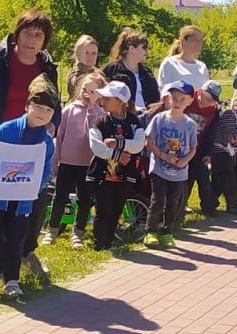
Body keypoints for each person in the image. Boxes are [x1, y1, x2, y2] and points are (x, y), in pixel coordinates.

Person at [0, 77, 59, 301]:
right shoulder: (5, 131)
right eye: (37, 107)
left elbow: (45, 169)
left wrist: (37, 187)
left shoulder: (46, 141)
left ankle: (12, 280)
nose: (41, 113)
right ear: (26, 106)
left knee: (16, 239)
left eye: (47, 110)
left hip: (23, 200)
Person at [0, 10, 58, 134]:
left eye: (38, 35)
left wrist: (52, 123)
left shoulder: (48, 68)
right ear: (17, 34)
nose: (31, 39)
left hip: (31, 140)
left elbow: (55, 105)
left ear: (44, 41)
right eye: (27, 33)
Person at [44, 71, 104, 247]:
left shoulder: (100, 114)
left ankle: (78, 232)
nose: (87, 94)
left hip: (88, 165)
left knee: (84, 199)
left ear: (100, 94)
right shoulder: (70, 110)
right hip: (67, 163)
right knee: (60, 197)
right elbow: (59, 137)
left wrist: (92, 109)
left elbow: (94, 133)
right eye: (85, 89)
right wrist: (55, 161)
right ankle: (52, 230)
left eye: (92, 92)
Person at [87, 82, 147, 250]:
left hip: (125, 175)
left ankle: (109, 241)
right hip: (103, 175)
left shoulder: (134, 122)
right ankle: (100, 244)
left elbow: (138, 145)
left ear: (121, 102)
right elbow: (97, 147)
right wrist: (117, 155)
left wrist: (117, 143)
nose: (102, 101)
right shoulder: (100, 121)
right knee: (103, 210)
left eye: (107, 98)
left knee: (116, 210)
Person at [144, 81, 198, 248]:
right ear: (168, 98)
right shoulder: (159, 119)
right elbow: (149, 141)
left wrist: (184, 160)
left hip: (179, 171)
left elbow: (193, 148)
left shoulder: (190, 124)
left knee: (173, 201)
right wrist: (162, 155)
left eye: (182, 99)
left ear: (189, 101)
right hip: (160, 168)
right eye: (174, 98)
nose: (177, 102)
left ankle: (168, 231)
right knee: (158, 199)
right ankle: (151, 231)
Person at [204, 83, 237, 214]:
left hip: (228, 152)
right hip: (219, 151)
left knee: (219, 180)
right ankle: (232, 205)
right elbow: (232, 134)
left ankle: (210, 204)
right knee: (227, 177)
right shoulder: (230, 114)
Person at [184, 80, 222, 215]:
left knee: (203, 177)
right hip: (180, 147)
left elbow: (211, 133)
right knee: (186, 179)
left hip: (199, 148)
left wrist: (208, 153)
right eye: (207, 98)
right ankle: (180, 206)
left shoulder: (214, 110)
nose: (208, 102)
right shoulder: (187, 99)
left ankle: (209, 207)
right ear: (200, 92)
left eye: (212, 100)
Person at [102, 28, 160, 111]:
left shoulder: (147, 72)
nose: (146, 52)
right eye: (144, 48)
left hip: (147, 118)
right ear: (132, 48)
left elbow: (155, 98)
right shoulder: (111, 70)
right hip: (122, 118)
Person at [158, 25, 210, 91]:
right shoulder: (169, 63)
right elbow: (163, 91)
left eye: (200, 40)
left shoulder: (202, 66)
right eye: (194, 40)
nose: (198, 44)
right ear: (183, 41)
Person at [66, 34, 100, 100]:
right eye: (86, 53)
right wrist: (81, 63)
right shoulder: (74, 75)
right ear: (79, 53)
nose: (90, 57)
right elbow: (78, 91)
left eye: (94, 53)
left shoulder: (99, 74)